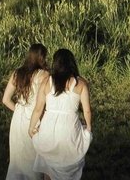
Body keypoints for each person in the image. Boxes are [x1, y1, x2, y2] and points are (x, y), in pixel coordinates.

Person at [29, 48, 93, 180]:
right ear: (72, 63)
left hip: (49, 127)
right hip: (69, 127)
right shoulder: (81, 83)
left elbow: (38, 108)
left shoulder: (47, 82)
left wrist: (31, 127)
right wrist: (88, 127)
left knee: (48, 166)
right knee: (69, 160)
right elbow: (87, 110)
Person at [2, 43, 49, 180]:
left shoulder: (17, 73)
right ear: (41, 57)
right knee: (33, 158)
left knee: (18, 159)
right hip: (35, 118)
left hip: (18, 118)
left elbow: (5, 99)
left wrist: (17, 108)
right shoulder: (44, 75)